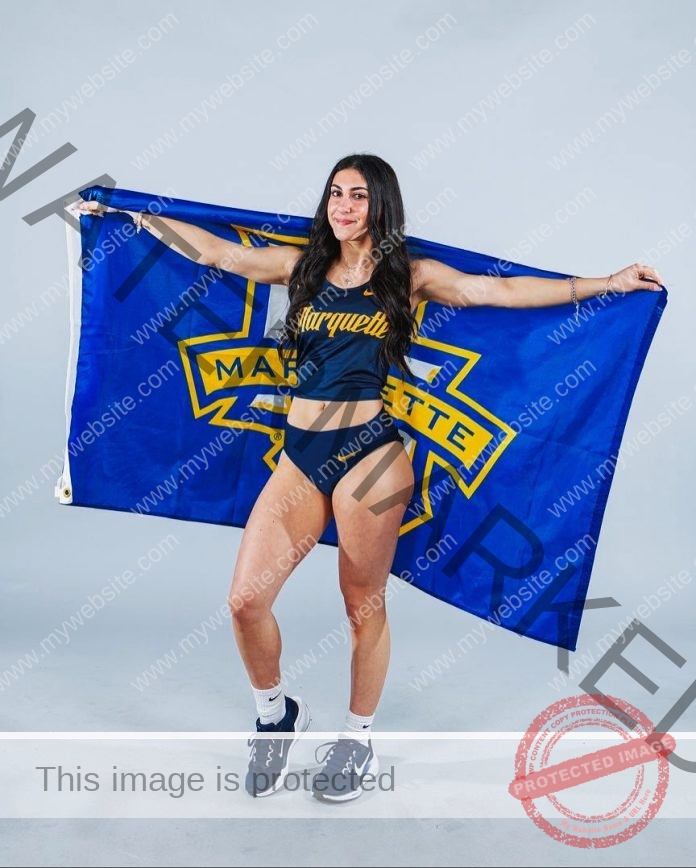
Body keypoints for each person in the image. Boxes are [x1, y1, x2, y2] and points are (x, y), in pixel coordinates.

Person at [74, 153, 664, 802]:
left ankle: (357, 736)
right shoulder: (301, 264)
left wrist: (605, 282)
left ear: (380, 205)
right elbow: (217, 253)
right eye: (335, 193)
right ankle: (276, 714)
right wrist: (127, 214)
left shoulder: (409, 275)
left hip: (372, 460)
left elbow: (501, 291)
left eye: (358, 195)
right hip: (301, 456)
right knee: (246, 601)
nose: (344, 205)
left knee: (362, 606)